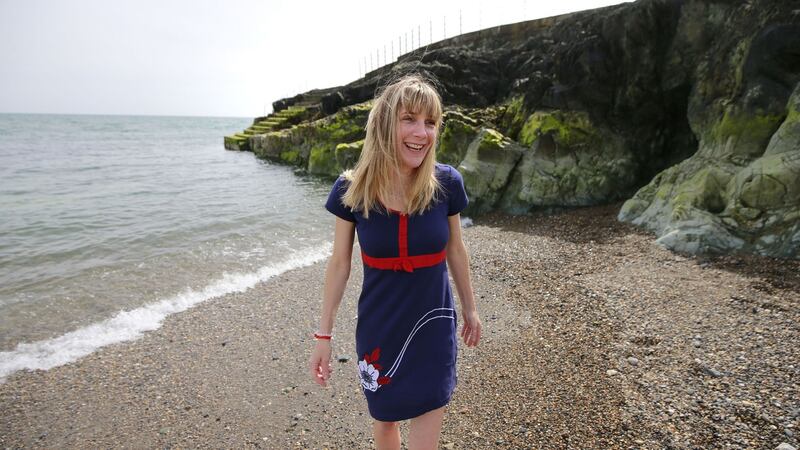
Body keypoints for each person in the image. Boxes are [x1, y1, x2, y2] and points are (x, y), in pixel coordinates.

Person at [308, 74, 482, 450]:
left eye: (431, 123)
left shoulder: (447, 183)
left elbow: (456, 250)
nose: (422, 133)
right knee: (385, 423)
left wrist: (470, 310)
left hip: (433, 324)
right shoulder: (351, 190)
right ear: (387, 123)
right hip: (379, 329)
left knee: (426, 432)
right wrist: (323, 335)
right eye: (410, 119)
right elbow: (340, 264)